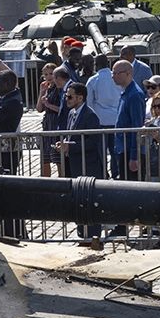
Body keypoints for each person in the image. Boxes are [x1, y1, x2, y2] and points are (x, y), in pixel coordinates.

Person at [54, 81, 106, 245]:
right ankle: (82, 234)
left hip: (89, 165)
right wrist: (64, 145)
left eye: (70, 96)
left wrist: (71, 146)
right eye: (66, 96)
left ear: (80, 98)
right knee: (78, 200)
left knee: (90, 200)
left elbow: (92, 142)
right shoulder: (71, 113)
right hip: (75, 165)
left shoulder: (90, 116)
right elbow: (71, 137)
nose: (67, 99)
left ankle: (93, 236)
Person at [107, 61, 147, 180]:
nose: (113, 76)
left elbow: (137, 126)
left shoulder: (134, 95)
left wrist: (134, 156)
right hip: (123, 148)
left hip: (130, 150)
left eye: (116, 73)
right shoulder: (126, 92)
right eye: (112, 73)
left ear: (128, 73)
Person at [36, 65, 67, 176]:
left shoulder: (60, 89)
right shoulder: (46, 88)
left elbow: (63, 109)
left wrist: (49, 105)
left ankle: (62, 181)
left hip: (57, 123)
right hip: (47, 124)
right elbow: (39, 109)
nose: (48, 77)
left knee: (59, 159)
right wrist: (41, 93)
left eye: (51, 74)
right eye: (46, 74)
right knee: (45, 158)